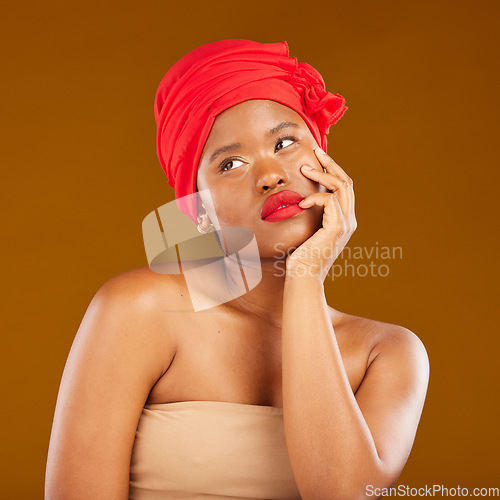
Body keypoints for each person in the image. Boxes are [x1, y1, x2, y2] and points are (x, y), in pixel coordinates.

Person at [45, 39, 429, 500]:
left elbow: (339, 492)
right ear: (199, 209)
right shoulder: (141, 311)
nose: (269, 175)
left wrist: (304, 277)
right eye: (231, 163)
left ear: (326, 160)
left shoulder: (387, 354)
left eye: (285, 142)